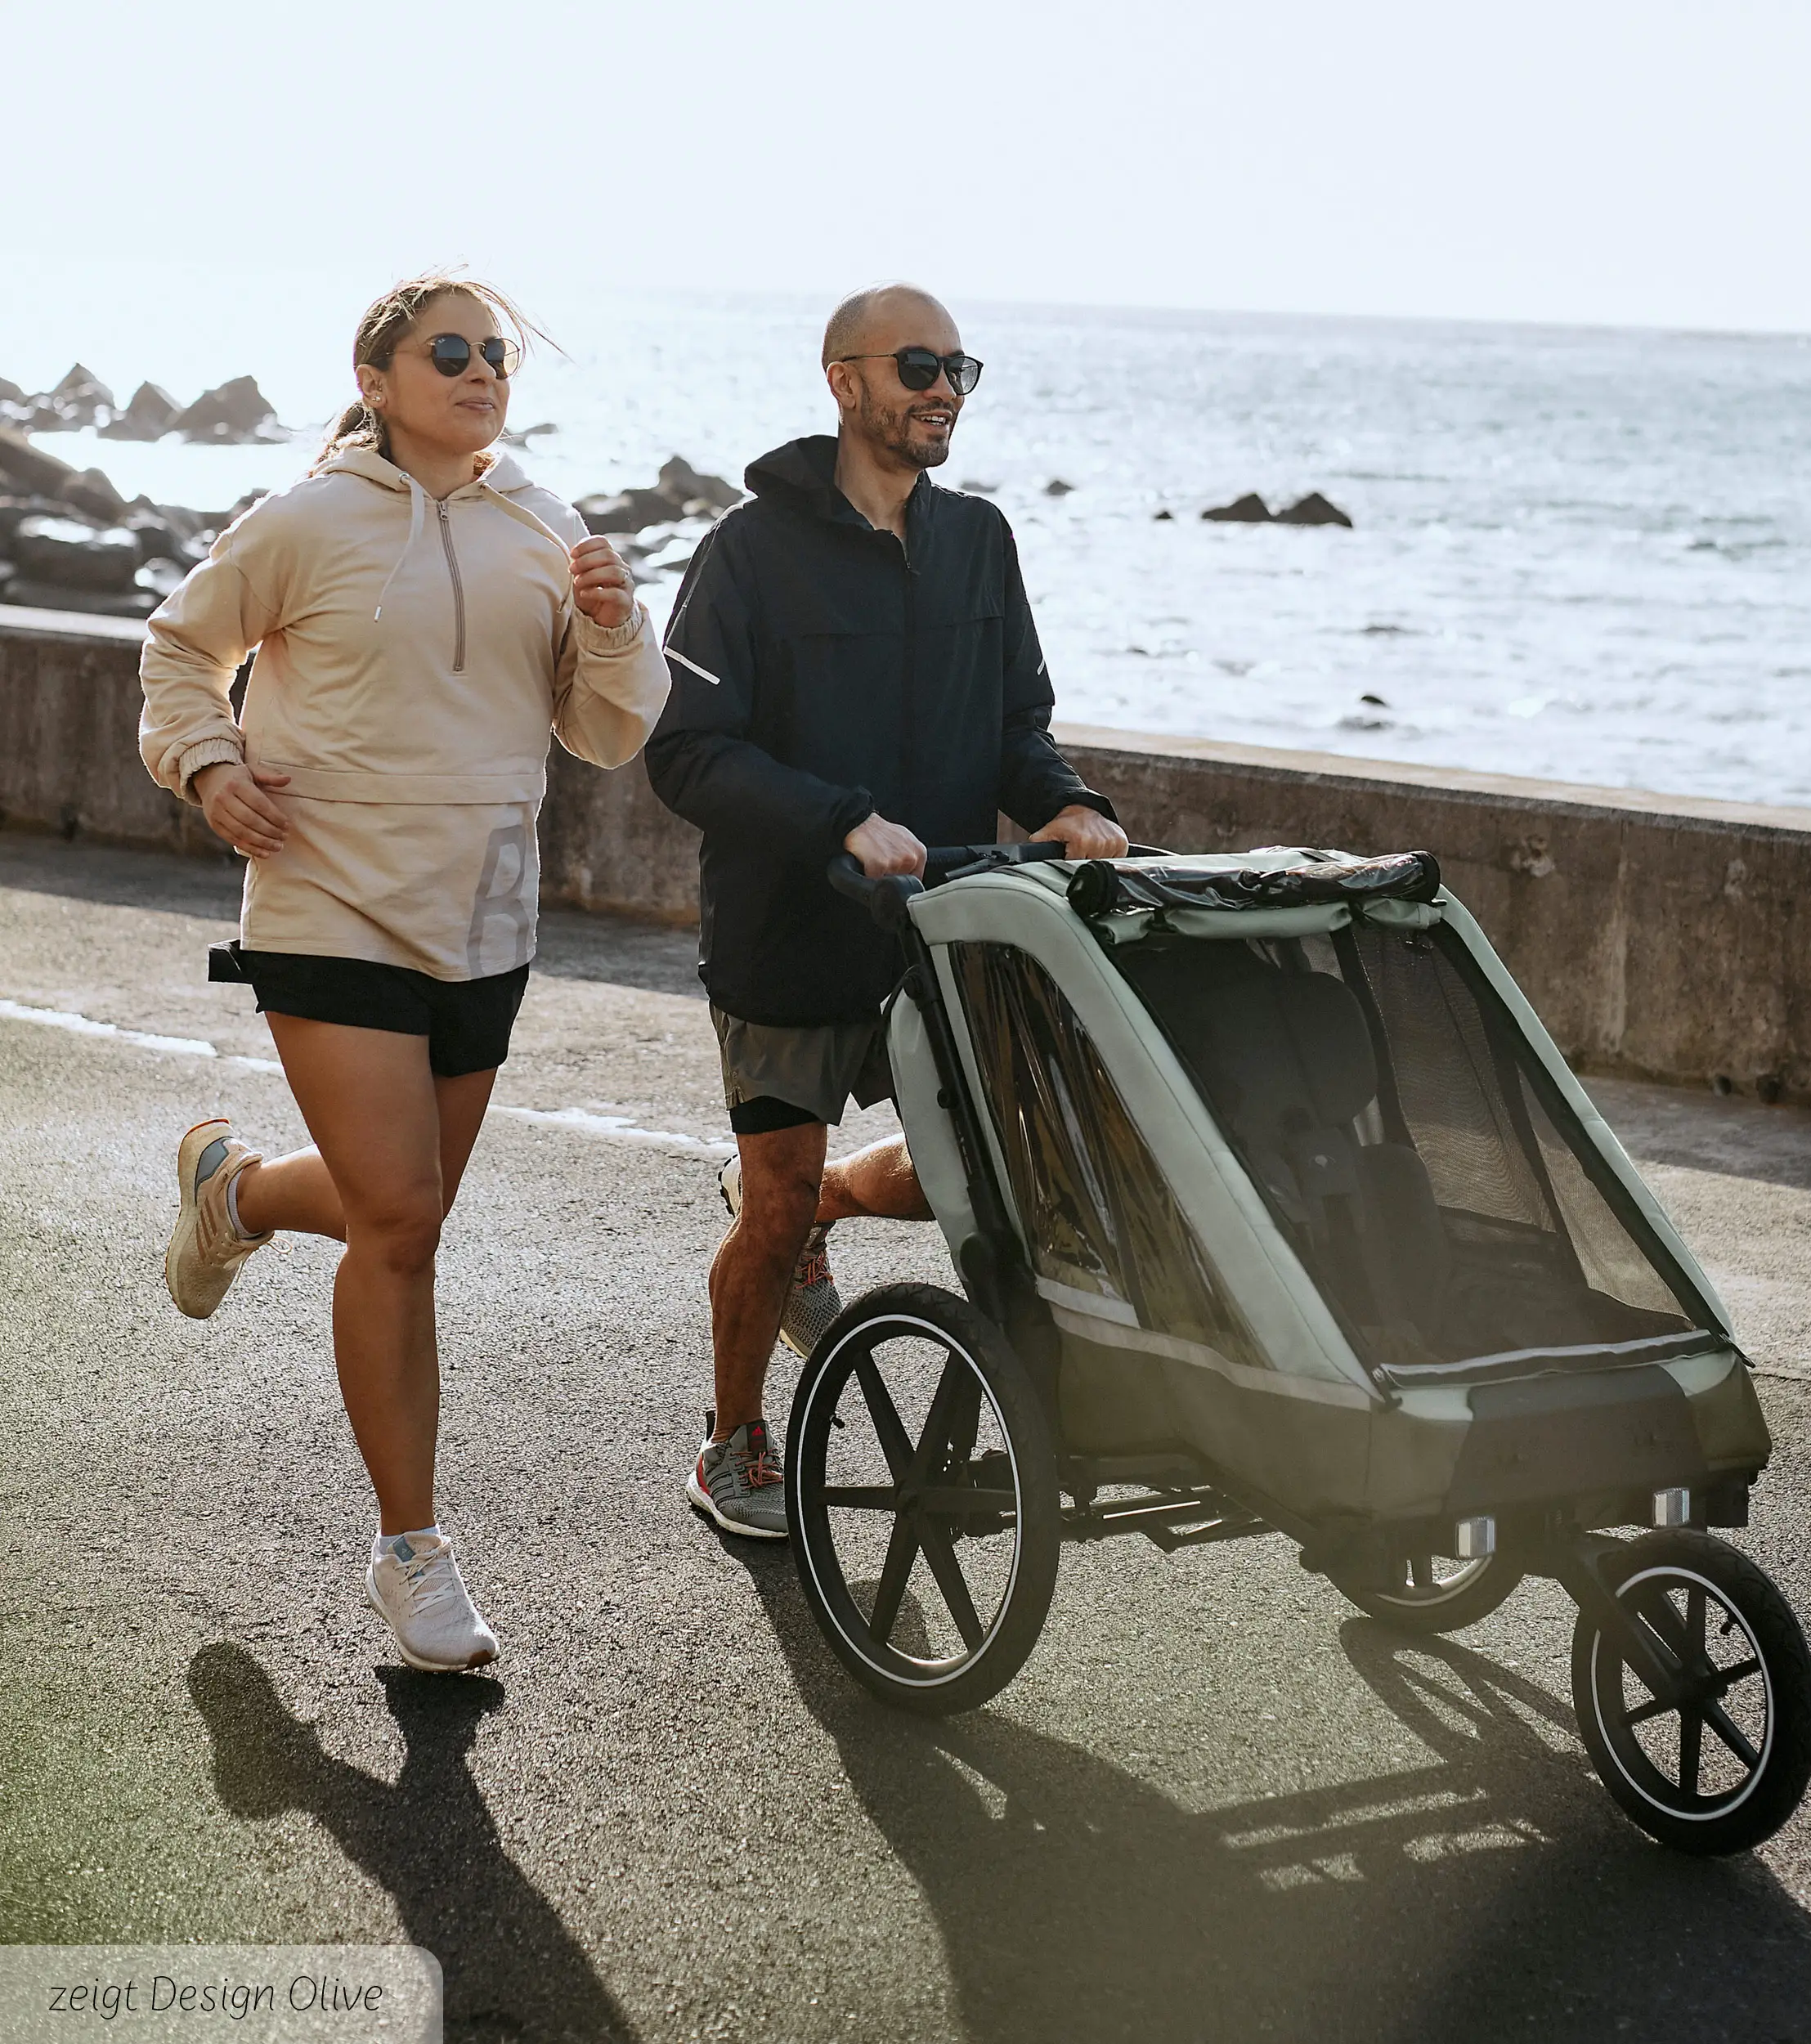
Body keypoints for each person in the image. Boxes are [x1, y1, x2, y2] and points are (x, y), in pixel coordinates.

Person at [140, 273, 670, 1670]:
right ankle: (413, 1552)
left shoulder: (546, 527)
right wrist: (204, 761)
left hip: (486, 915)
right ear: (375, 376)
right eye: (451, 350)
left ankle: (237, 1194)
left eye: (497, 353)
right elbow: (180, 647)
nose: (482, 369)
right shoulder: (306, 519)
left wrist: (617, 628)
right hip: (325, 899)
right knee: (403, 1221)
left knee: (405, 1212)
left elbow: (609, 732)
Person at [646, 282, 1128, 1539]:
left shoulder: (981, 541)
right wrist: (838, 818)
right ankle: (733, 1441)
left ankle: (829, 1215)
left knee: (982, 1171)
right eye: (918, 364)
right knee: (770, 1195)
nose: (942, 389)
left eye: (961, 369)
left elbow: (1020, 727)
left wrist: (1071, 804)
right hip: (791, 935)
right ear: (843, 379)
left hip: (952, 929)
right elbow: (686, 753)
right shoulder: (748, 552)